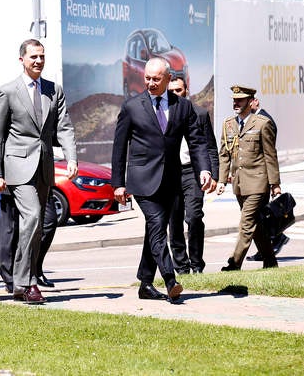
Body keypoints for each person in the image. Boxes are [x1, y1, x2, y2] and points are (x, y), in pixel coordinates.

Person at [111, 58, 212, 303]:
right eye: (147, 78)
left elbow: (197, 142)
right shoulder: (132, 107)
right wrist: (118, 183)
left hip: (171, 181)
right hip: (142, 181)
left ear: (168, 78)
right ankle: (170, 280)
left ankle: (145, 283)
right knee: (157, 227)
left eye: (156, 79)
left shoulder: (183, 107)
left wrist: (204, 169)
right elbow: (119, 148)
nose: (151, 83)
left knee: (152, 233)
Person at [0, 38, 77, 304]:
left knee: (36, 228)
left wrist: (71, 156)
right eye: (33, 57)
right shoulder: (8, 91)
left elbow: (65, 127)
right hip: (17, 167)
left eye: (41, 56)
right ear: (22, 60)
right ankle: (28, 283)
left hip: (44, 167)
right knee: (33, 217)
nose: (38, 61)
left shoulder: (53, 90)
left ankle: (19, 281)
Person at [217, 85, 281, 271]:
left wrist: (275, 184)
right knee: (256, 225)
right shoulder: (228, 124)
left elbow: (270, 155)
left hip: (258, 183)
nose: (236, 103)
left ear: (250, 101)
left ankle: (234, 263)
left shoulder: (262, 123)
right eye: (234, 100)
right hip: (238, 183)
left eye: (240, 100)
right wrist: (222, 180)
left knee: (246, 223)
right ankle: (270, 261)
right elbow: (224, 154)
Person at [167, 76, 219, 275]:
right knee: (174, 220)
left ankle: (197, 264)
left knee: (194, 217)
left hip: (193, 172)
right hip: (170, 173)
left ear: (186, 90)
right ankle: (181, 266)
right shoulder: (162, 115)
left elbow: (210, 148)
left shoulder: (199, 114)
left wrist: (214, 175)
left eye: (178, 90)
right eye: (170, 91)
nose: (174, 94)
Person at [246, 99, 289, 261]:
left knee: (260, 216)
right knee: (261, 215)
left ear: (255, 101)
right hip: (253, 177)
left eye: (247, 101)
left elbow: (270, 153)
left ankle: (276, 238)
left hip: (261, 176)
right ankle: (270, 245)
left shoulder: (265, 120)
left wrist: (274, 183)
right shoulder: (252, 120)